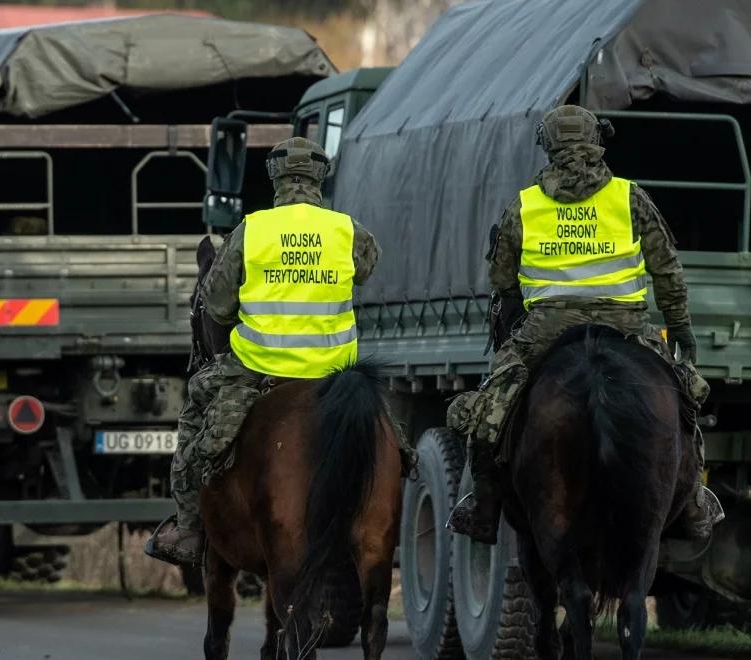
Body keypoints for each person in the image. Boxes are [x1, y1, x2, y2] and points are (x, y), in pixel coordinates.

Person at [446, 105, 724, 545]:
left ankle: (482, 505)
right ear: (598, 142)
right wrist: (680, 327)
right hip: (628, 324)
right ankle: (692, 503)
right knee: (684, 401)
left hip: (547, 328)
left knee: (489, 411)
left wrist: (518, 320)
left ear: (547, 146)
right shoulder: (630, 197)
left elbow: (501, 280)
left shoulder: (524, 205)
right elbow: (667, 270)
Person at [146, 137, 402, 566]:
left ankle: (189, 527)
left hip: (258, 366)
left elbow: (219, 303)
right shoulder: (347, 230)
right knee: (390, 433)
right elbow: (368, 267)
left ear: (274, 177)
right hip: (334, 368)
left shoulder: (253, 230)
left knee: (196, 405)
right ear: (322, 176)